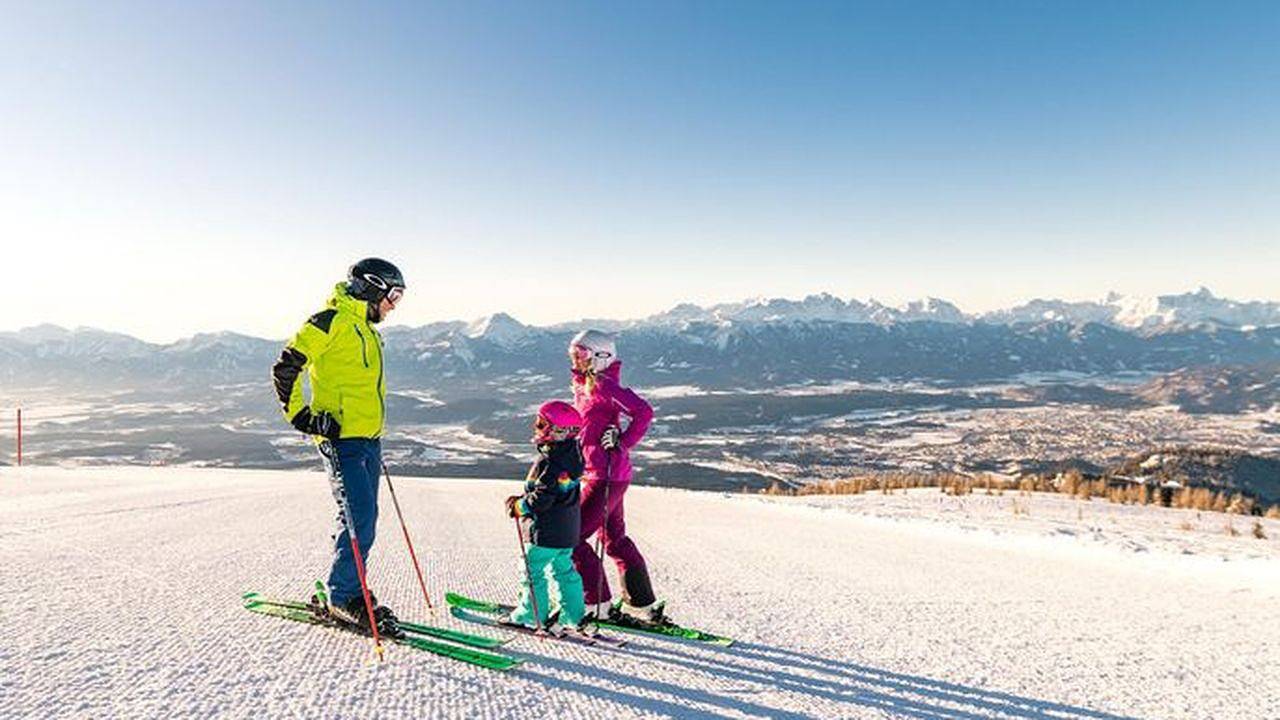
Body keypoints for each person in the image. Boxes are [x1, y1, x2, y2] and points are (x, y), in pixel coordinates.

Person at [270, 257, 405, 635]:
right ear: (371, 286)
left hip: (368, 440)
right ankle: (342, 595)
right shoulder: (328, 322)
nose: (394, 306)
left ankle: (347, 585)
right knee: (359, 517)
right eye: (393, 296)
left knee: (364, 518)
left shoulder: (366, 327)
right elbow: (285, 368)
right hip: (340, 440)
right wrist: (303, 417)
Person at [567, 329, 662, 623]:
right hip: (604, 473)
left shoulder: (604, 386)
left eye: (581, 354)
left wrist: (623, 440)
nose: (576, 359)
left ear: (601, 357)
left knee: (572, 537)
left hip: (605, 475)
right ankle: (641, 604)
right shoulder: (585, 385)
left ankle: (597, 604)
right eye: (573, 354)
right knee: (614, 539)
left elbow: (643, 412)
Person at [501, 401, 589, 635]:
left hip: (546, 532)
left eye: (541, 424)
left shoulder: (551, 462)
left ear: (559, 431)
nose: (536, 429)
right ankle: (574, 614)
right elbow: (553, 493)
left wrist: (520, 506)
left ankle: (531, 614)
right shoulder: (572, 456)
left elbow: (542, 499)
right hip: (567, 531)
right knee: (564, 570)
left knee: (532, 569)